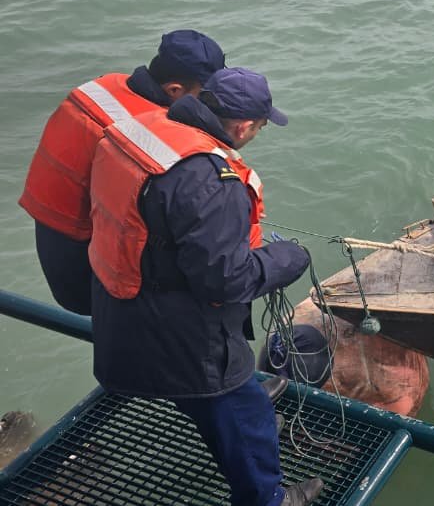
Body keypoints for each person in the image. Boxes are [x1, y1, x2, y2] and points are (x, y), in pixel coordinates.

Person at [87, 67, 323, 506]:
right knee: (245, 415)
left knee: (216, 398)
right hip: (180, 335)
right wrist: (286, 259)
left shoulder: (143, 129)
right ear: (243, 126)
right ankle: (268, 499)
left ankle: (220, 404)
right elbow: (225, 280)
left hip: (118, 307)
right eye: (261, 126)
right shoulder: (213, 180)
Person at [19, 30, 226, 315]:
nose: (210, 104)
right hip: (79, 256)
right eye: (205, 96)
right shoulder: (146, 130)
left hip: (47, 215)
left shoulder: (106, 83)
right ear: (174, 90)